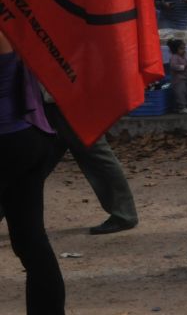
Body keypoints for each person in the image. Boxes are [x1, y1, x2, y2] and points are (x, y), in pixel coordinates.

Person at [0, 31, 66, 314]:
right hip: (28, 136)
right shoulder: (20, 22)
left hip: (6, 143)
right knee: (31, 241)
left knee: (31, 242)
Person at [41, 96, 139, 235]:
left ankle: (124, 213)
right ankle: (124, 212)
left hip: (66, 97)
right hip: (56, 98)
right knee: (36, 158)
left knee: (94, 152)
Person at [167, 39, 187, 114]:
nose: (184, 50)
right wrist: (185, 66)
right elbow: (173, 66)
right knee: (180, 93)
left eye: (184, 48)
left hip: (184, 79)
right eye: (181, 48)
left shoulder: (182, 57)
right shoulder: (174, 57)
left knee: (184, 92)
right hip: (178, 80)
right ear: (175, 49)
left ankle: (180, 107)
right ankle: (182, 107)